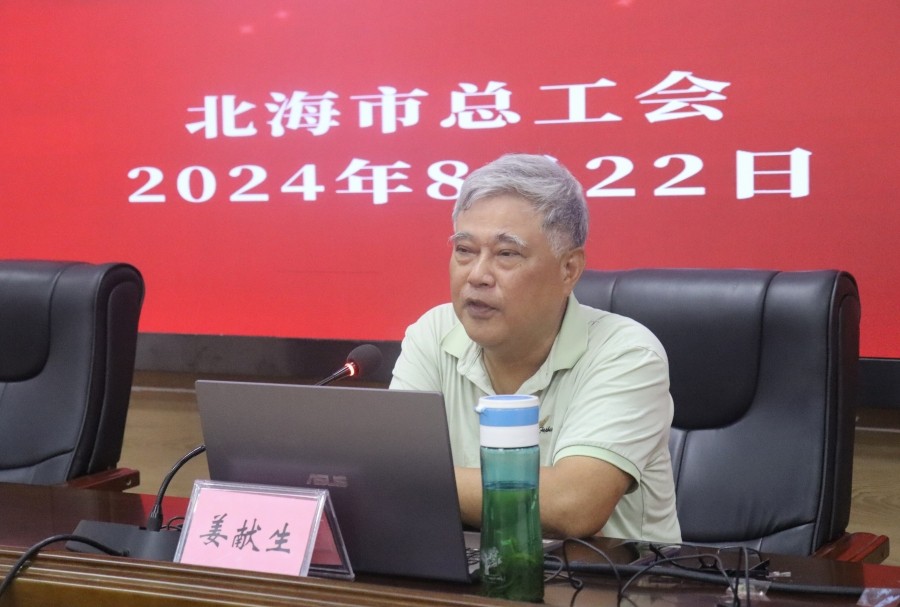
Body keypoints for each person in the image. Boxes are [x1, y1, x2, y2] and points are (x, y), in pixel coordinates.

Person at [390, 153, 681, 542]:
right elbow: (389, 470)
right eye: (464, 250)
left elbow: (573, 505)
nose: (477, 275)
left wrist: (413, 480)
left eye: (506, 254)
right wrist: (397, 476)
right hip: (471, 571)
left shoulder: (627, 354)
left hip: (607, 576)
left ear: (568, 270)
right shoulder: (434, 333)